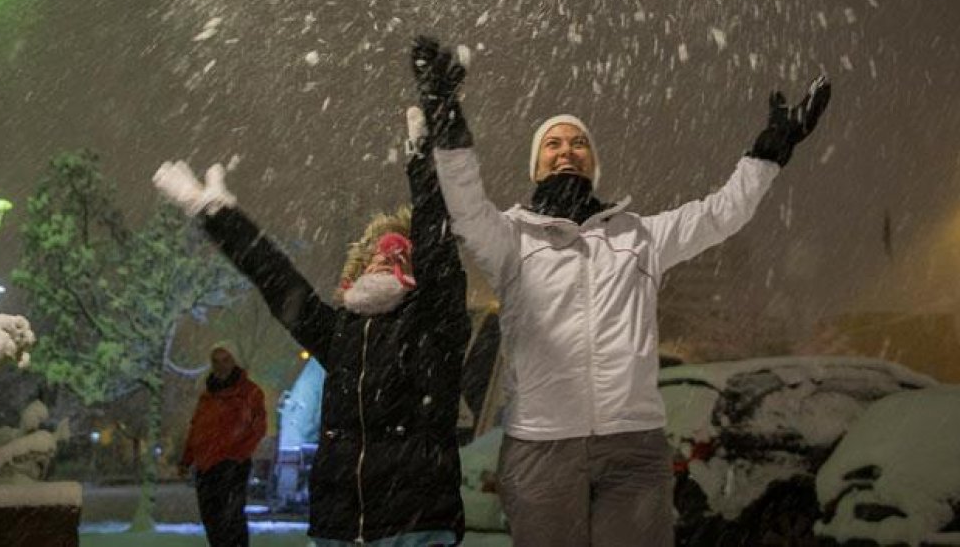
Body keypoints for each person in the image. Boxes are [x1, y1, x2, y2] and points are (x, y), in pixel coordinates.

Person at [409, 35, 831, 547]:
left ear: (593, 161)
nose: (567, 151)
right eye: (553, 144)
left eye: (578, 143)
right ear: (536, 165)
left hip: (633, 448)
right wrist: (446, 114)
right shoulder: (510, 239)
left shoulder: (641, 236)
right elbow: (465, 202)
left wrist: (765, 156)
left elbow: (722, 213)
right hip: (541, 446)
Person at [153, 108, 470, 547]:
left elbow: (438, 250)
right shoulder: (339, 332)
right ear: (358, 268)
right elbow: (277, 279)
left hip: (415, 528)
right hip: (338, 529)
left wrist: (422, 165)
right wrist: (217, 215)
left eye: (401, 254)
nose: (387, 257)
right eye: (377, 253)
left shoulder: (434, 326)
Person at [179, 342, 268, 547]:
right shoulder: (207, 396)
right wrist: (186, 459)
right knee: (212, 522)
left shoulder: (249, 393)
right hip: (205, 466)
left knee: (231, 521)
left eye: (226, 359)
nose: (221, 365)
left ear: (234, 360)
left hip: (232, 466)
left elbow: (258, 428)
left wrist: (236, 456)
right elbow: (197, 429)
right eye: (216, 361)